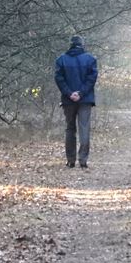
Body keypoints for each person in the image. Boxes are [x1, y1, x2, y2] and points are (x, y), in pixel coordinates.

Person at [55, 35, 98, 169]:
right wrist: (81, 93)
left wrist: (69, 93)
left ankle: (70, 160)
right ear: (82, 44)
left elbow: (59, 79)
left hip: (68, 100)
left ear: (70, 45)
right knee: (84, 128)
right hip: (85, 100)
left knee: (70, 129)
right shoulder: (90, 59)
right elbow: (92, 79)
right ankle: (83, 160)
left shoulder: (61, 59)